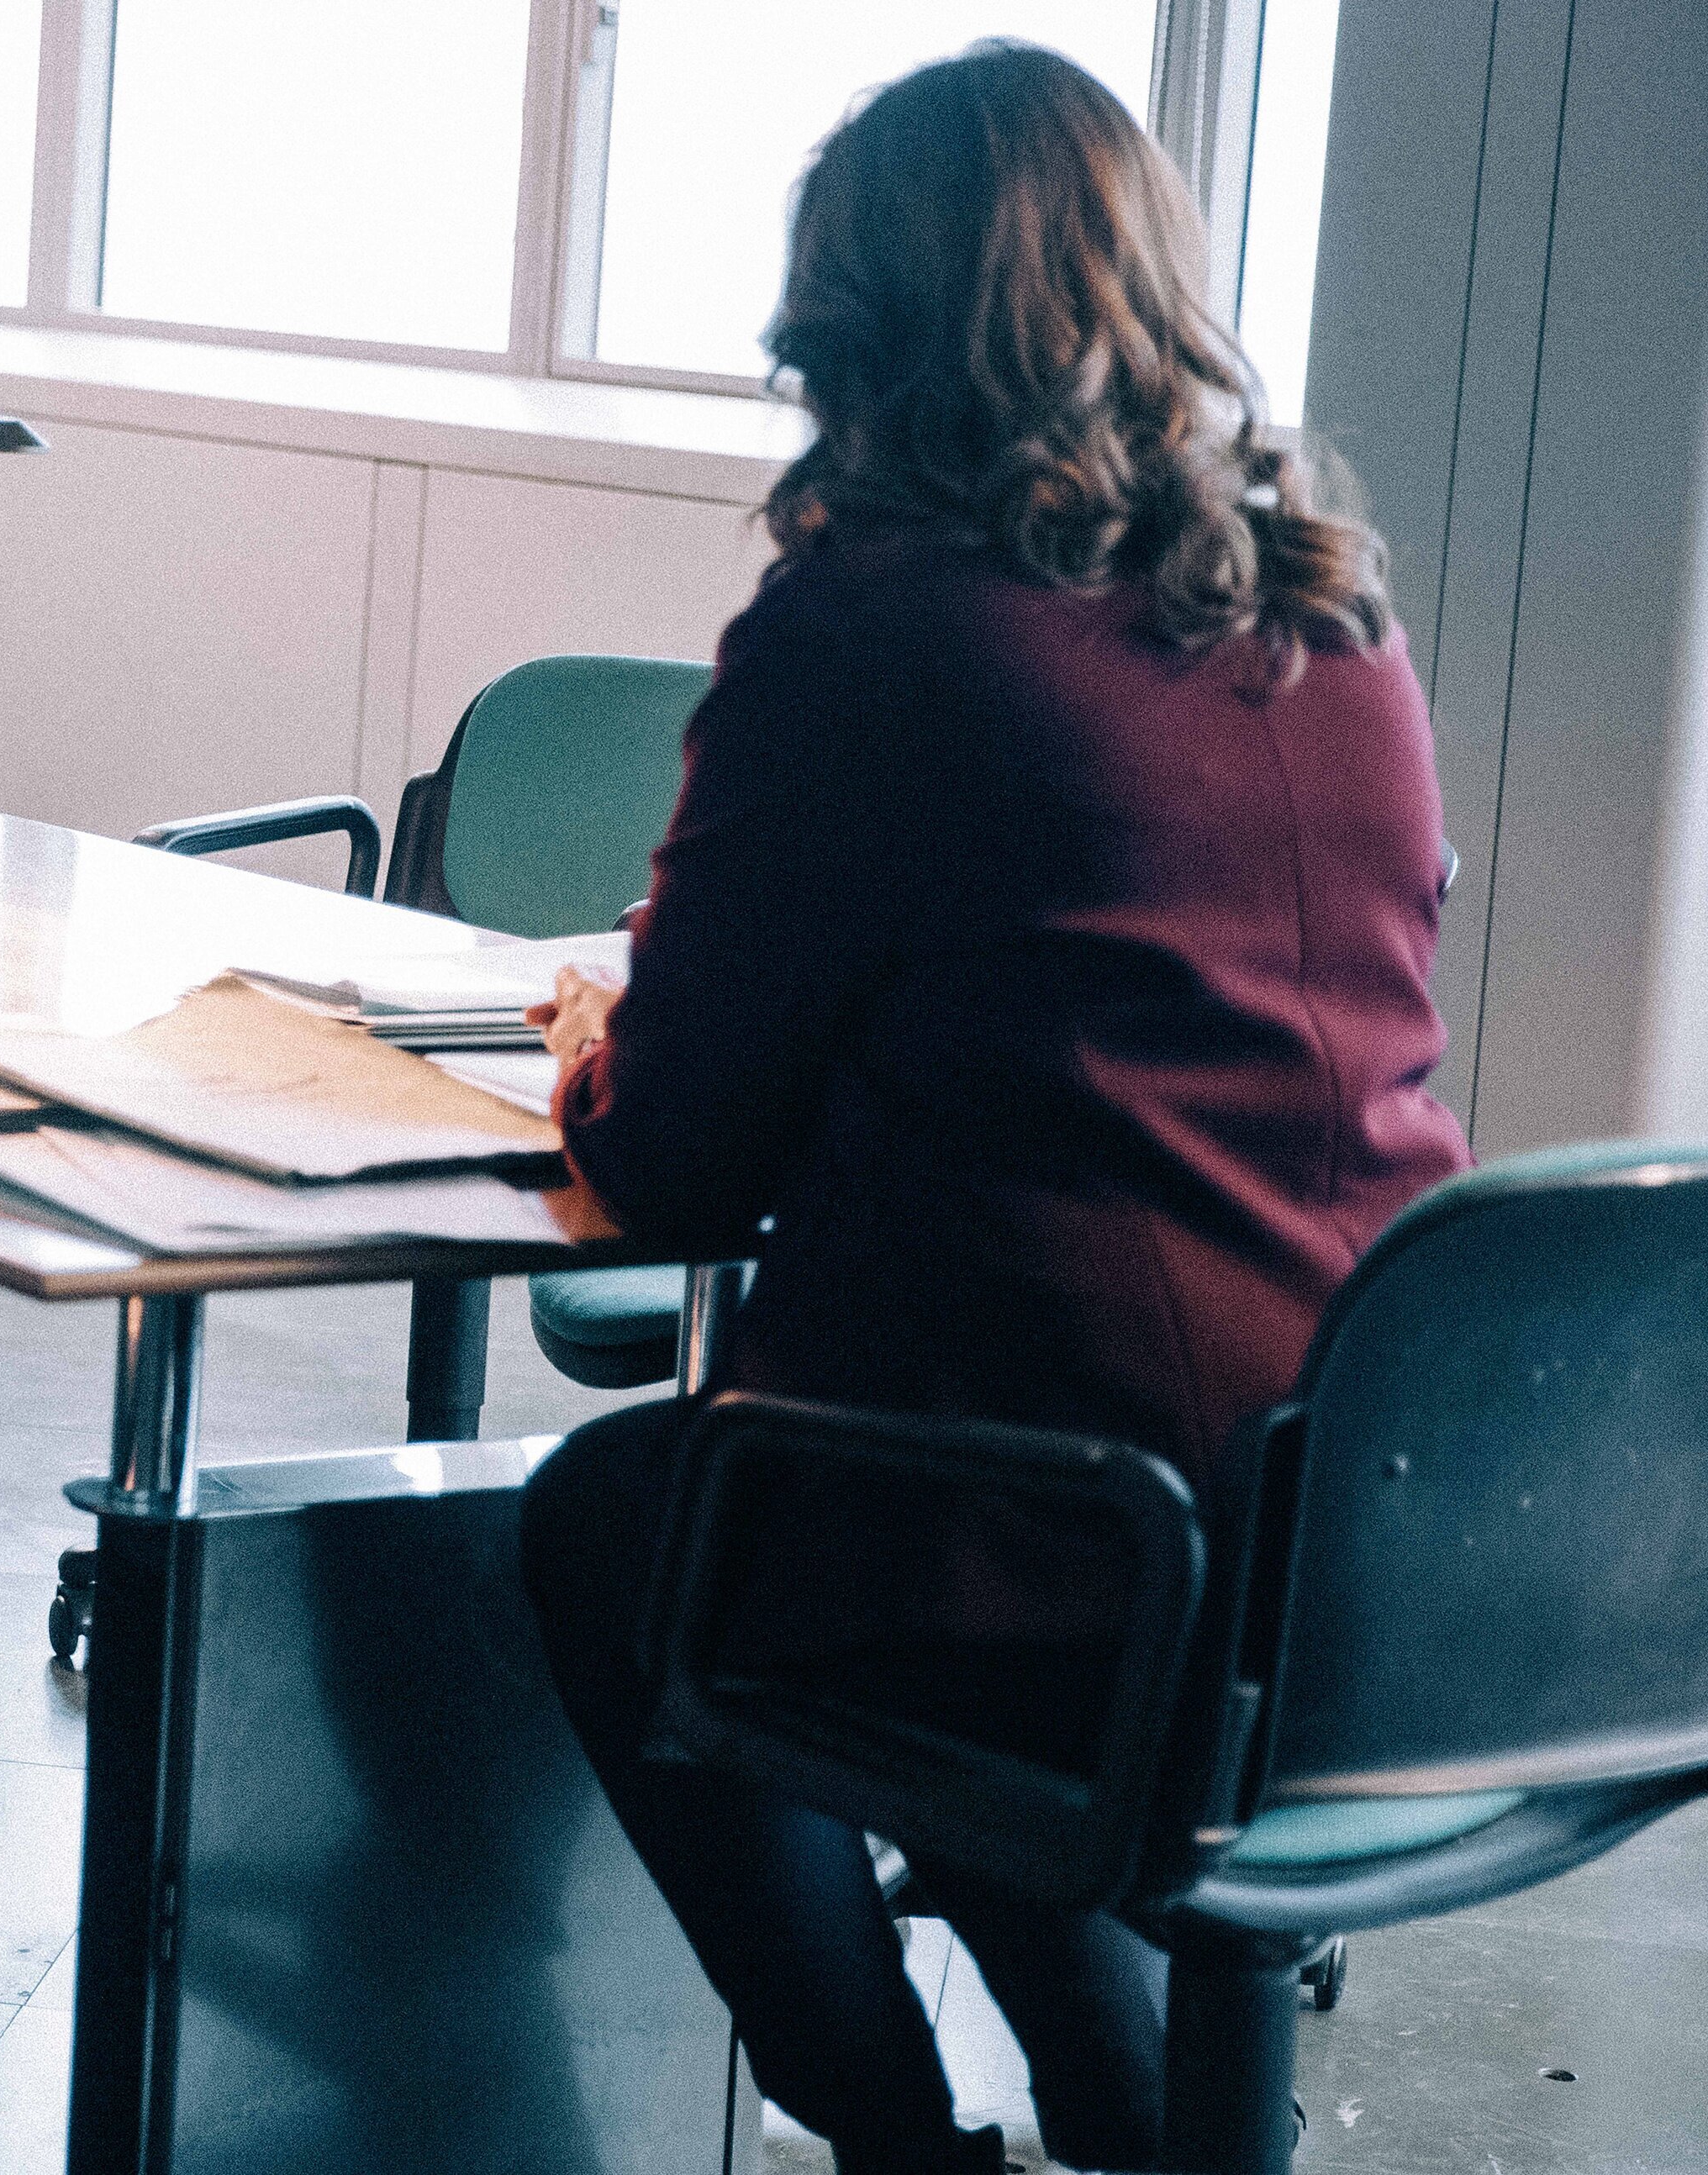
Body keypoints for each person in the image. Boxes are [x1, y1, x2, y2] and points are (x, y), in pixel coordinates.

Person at [514, 43, 1470, 2175]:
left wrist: (595, 1047)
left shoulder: (873, 629)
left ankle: (893, 2147)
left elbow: (672, 1157)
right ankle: (1130, 2115)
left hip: (1083, 1538)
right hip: (1378, 1515)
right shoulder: (1329, 617)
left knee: (620, 1524)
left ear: (849, 318)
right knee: (948, 1550)